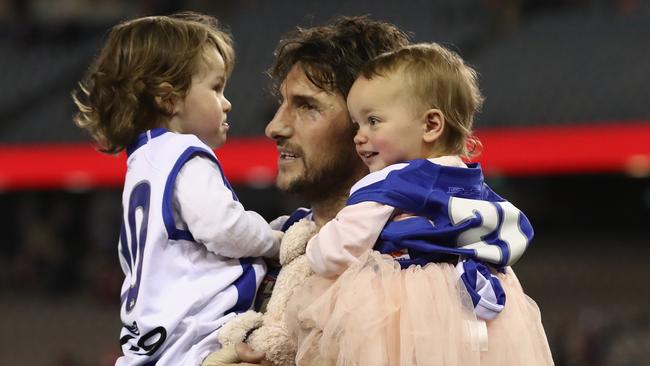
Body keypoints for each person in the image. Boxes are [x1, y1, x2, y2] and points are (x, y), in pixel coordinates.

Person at [287, 43, 554, 365]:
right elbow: (515, 234)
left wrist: (314, 243)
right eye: (357, 125)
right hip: (480, 309)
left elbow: (333, 254)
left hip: (404, 311)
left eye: (373, 121)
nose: (359, 136)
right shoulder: (473, 183)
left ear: (430, 125)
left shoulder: (390, 182)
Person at [72, 12, 281, 365]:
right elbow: (224, 228)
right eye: (216, 88)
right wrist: (276, 242)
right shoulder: (181, 150)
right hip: (197, 338)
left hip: (153, 339)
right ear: (169, 100)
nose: (227, 102)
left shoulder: (141, 162)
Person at [203, 15, 411, 365]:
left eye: (307, 106)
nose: (275, 127)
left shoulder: (421, 257)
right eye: (282, 104)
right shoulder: (276, 247)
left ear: (371, 122)